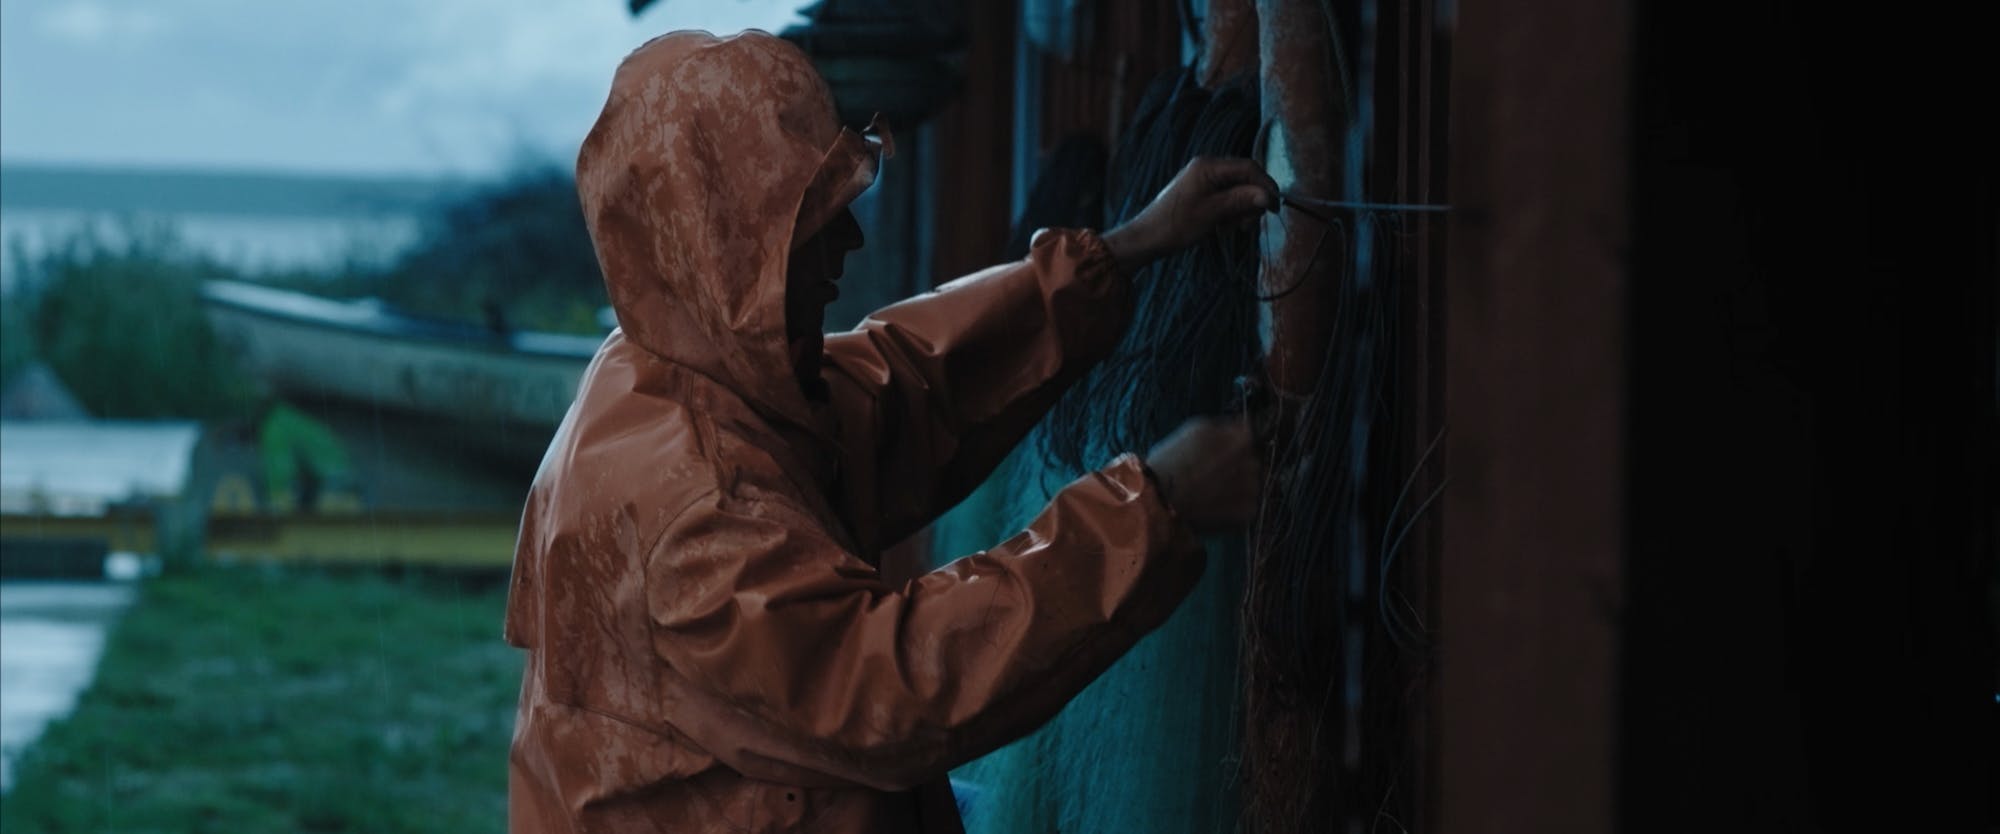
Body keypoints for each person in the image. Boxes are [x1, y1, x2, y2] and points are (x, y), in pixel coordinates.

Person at [503, 29, 1277, 833]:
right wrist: (1156, 509)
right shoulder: (694, 515)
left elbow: (899, 391)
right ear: (725, 256)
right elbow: (891, 689)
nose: (853, 239)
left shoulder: (669, 364)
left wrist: (1121, 252)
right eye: (817, 220)